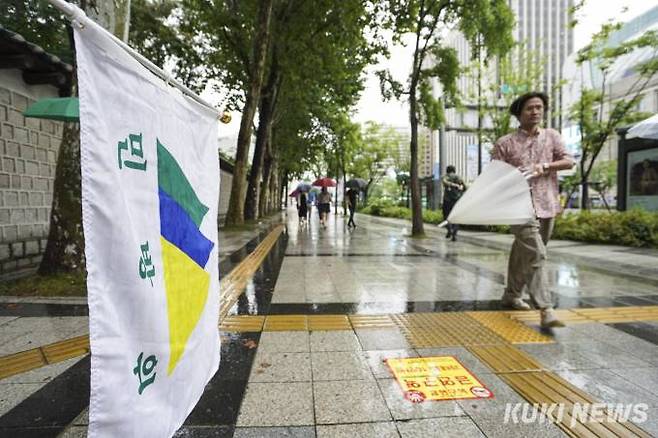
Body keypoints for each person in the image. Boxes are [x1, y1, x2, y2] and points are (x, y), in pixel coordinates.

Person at [492, 91, 574, 328]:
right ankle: (546, 309)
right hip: (518, 206)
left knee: (524, 253)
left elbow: (569, 160)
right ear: (519, 113)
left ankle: (511, 295)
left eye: (539, 107)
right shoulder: (504, 143)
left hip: (547, 204)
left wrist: (544, 166)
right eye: (530, 108)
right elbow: (494, 177)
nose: (536, 111)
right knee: (536, 254)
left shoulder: (552, 137)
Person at [441, 165, 465, 241]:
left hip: (447, 200)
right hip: (457, 200)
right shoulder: (458, 177)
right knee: (456, 217)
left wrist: (452, 185)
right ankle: (454, 234)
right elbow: (465, 187)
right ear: (454, 170)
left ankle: (449, 230)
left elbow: (444, 182)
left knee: (446, 216)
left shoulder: (446, 176)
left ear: (447, 170)